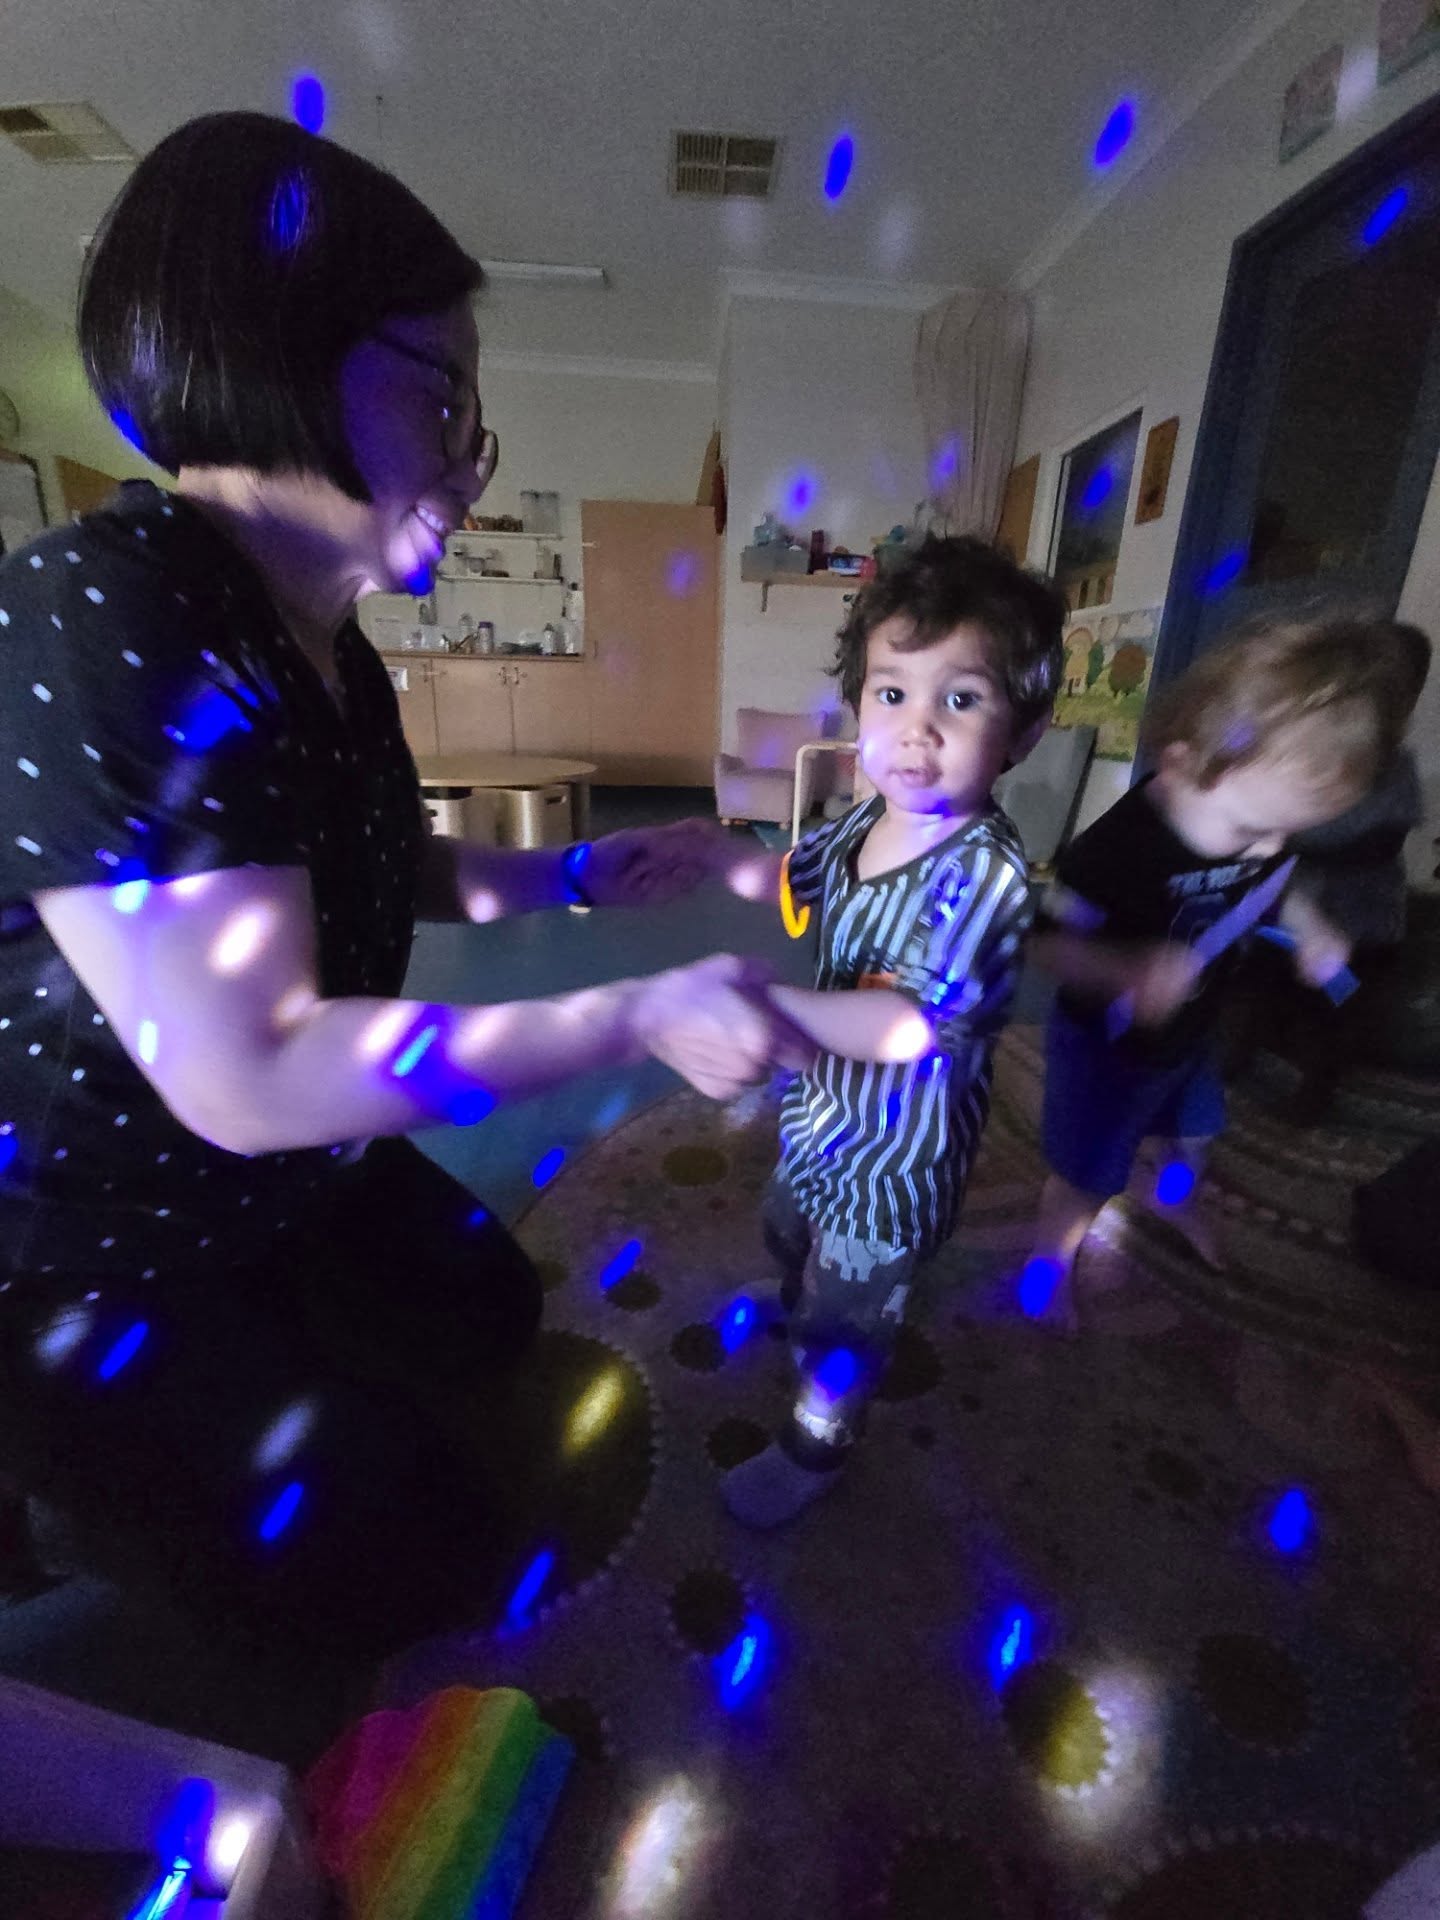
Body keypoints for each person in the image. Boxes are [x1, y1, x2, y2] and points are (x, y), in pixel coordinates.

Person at [0, 112, 805, 1656]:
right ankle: (48, 1490)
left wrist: (580, 869)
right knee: (424, 1566)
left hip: (269, 1181)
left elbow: (382, 865)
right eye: (442, 397)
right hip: (79, 1243)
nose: (476, 459)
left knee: (487, 1314)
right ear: (274, 350)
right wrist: (636, 1008)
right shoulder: (114, 607)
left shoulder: (328, 645)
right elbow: (250, 1070)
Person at [713, 537, 1067, 1527]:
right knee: (787, 1229)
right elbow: (790, 878)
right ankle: (802, 1286)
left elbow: (910, 1024)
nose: (915, 732)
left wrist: (773, 1014)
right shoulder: (861, 820)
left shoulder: (985, 874)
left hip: (894, 1159)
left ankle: (816, 1446)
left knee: (845, 1321)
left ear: (1025, 731)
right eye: (891, 694)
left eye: (961, 699)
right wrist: (706, 857)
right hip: (823, 1112)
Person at [1019, 616, 1419, 1334]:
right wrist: (1121, 968)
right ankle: (1048, 1267)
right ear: (1180, 766)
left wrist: (1310, 926)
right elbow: (1044, 944)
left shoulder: (1259, 821)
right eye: (1253, 830)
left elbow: (1277, 881)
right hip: (1104, 1051)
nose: (1269, 846)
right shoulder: (1112, 853)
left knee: (1197, 1135)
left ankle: (1173, 1199)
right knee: (1085, 1176)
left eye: (1288, 831)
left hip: (1191, 1033)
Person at [1232, 623, 1430, 1124]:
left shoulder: (1397, 766)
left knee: (1333, 1010)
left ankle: (1318, 1090)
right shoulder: (1326, 751)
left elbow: (1378, 842)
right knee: (1261, 983)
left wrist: (1287, 835)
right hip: (1293, 905)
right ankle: (1239, 1055)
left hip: (1361, 921)